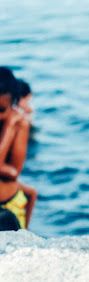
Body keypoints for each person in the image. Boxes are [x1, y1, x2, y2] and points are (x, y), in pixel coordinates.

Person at [0, 68, 34, 229]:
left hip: (9, 206)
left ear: (13, 103)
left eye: (1, 110)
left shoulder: (19, 123)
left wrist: (8, 126)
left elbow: (14, 172)